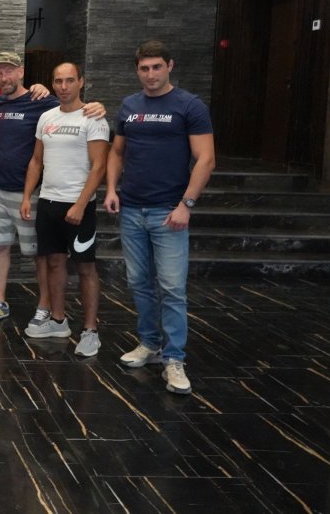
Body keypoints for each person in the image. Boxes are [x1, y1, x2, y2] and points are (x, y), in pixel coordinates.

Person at [103, 41, 215, 394]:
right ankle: (150, 344)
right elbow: (117, 152)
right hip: (132, 209)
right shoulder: (129, 106)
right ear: (137, 70)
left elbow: (206, 158)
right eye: (144, 68)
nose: (150, 74)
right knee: (138, 282)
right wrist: (111, 189)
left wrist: (187, 204)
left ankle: (174, 358)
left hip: (169, 212)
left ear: (170, 66)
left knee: (171, 288)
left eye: (156, 67)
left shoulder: (189, 105)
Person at [21, 63, 110, 358]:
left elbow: (99, 167)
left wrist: (81, 204)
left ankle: (90, 331)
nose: (63, 86)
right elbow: (36, 161)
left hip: (79, 206)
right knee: (54, 263)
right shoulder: (46, 117)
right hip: (48, 202)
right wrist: (27, 196)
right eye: (58, 81)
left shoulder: (93, 117)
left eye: (70, 80)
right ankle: (58, 321)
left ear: (80, 82)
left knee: (86, 268)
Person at [0, 52, 59, 324]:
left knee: (39, 254)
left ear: (21, 72)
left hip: (28, 193)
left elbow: (71, 109)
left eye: (9, 71)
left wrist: (94, 107)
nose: (4, 77)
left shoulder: (42, 101)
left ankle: (44, 305)